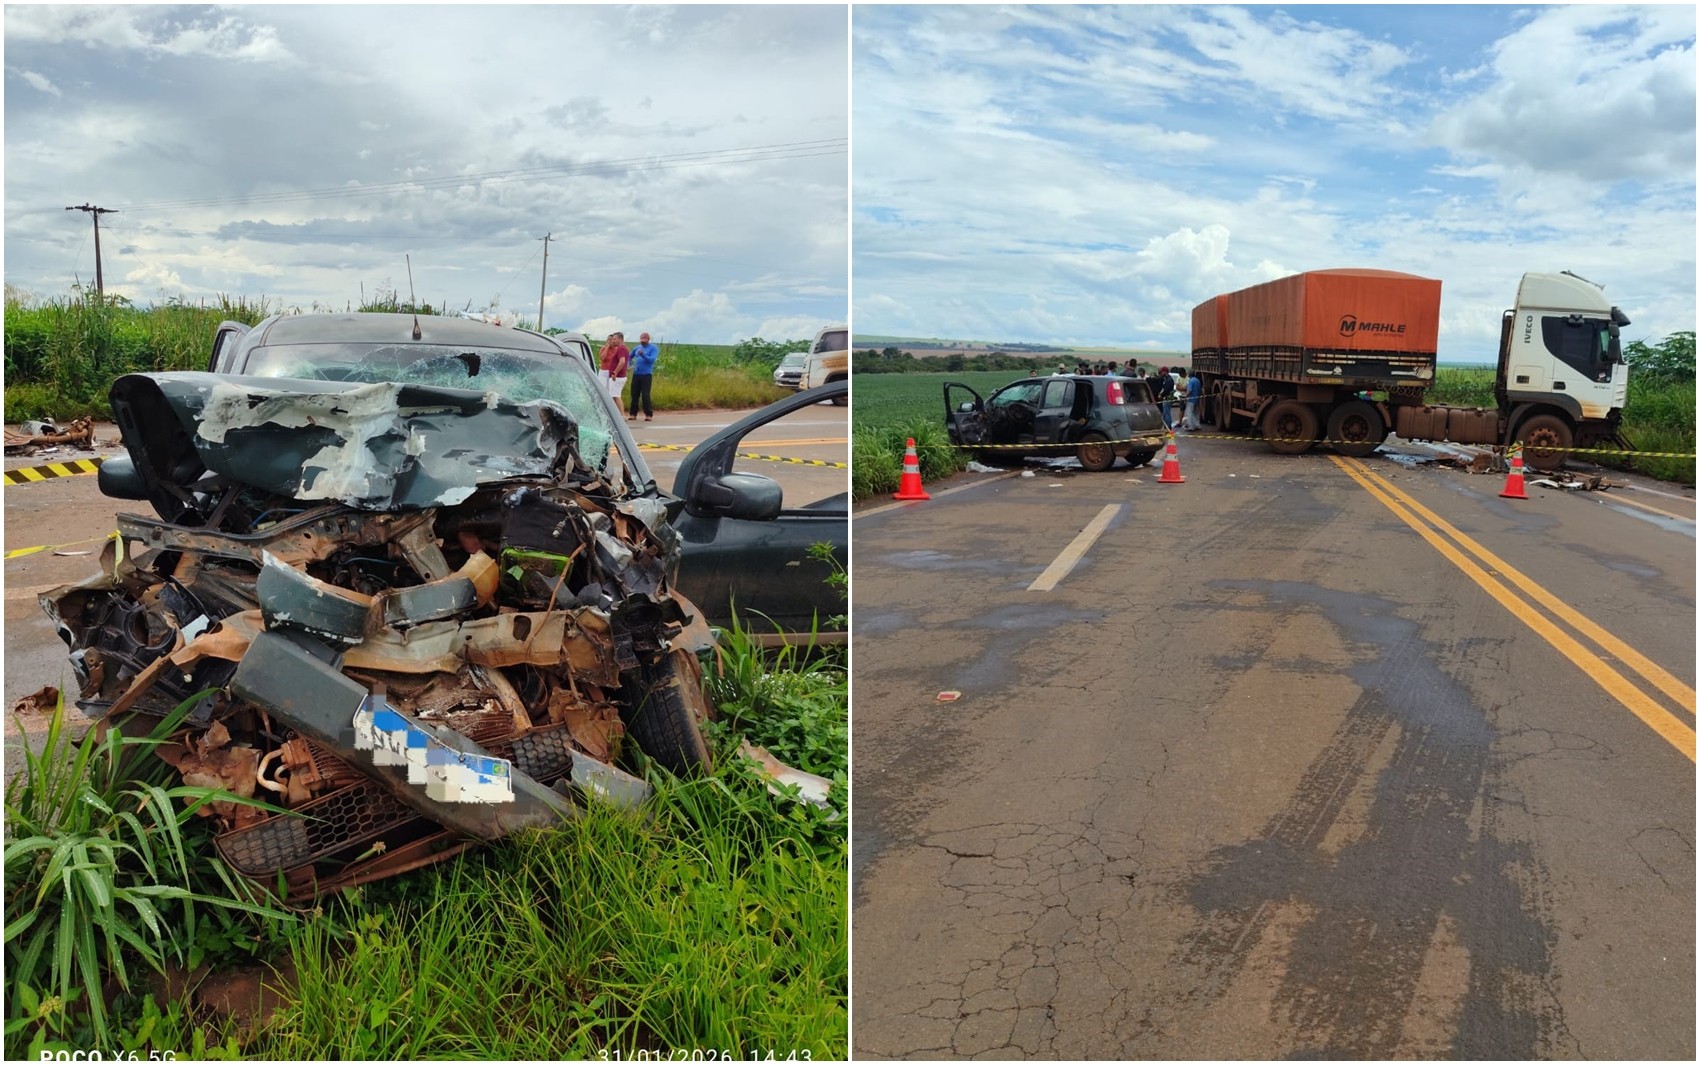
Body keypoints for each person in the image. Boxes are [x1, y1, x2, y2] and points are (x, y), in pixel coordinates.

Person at [627, 331, 659, 420]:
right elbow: (629, 356)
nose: (643, 341)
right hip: (636, 374)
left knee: (645, 395)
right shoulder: (637, 348)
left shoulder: (653, 348)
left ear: (648, 339)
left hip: (646, 374)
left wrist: (643, 355)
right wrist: (628, 365)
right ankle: (633, 414)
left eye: (645, 339)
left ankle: (648, 414)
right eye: (641, 339)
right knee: (634, 394)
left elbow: (652, 360)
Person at [598, 331, 629, 403]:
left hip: (612, 372)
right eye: (608, 340)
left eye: (611, 340)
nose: (610, 341)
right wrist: (607, 347)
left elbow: (622, 360)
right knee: (602, 388)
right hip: (604, 371)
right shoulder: (604, 348)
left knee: (611, 391)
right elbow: (602, 358)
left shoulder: (617, 349)